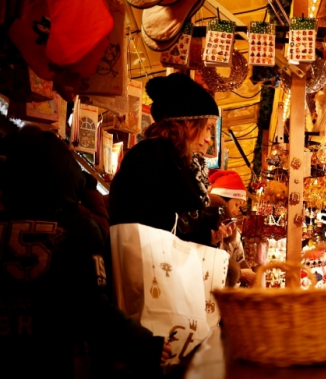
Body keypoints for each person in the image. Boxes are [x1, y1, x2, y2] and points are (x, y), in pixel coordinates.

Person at [0, 124, 171, 378]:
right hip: (53, 358)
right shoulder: (77, 228)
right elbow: (92, 309)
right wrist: (145, 345)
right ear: (66, 174)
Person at [109, 73, 231, 246]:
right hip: (148, 263)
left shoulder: (181, 161)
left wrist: (207, 235)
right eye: (208, 128)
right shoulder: (149, 155)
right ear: (189, 124)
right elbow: (137, 213)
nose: (209, 139)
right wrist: (195, 219)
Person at [208, 170, 256, 286]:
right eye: (236, 204)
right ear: (222, 200)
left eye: (239, 206)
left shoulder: (233, 230)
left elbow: (239, 259)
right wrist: (240, 274)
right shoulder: (206, 224)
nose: (237, 211)